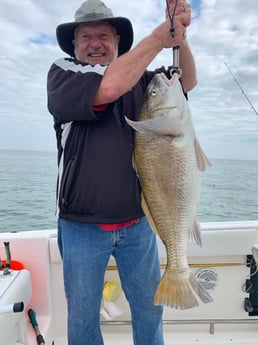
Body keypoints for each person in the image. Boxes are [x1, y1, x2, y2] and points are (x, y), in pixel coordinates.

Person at [47, 0, 196, 344]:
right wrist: (161, 36)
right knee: (83, 319)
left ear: (117, 41)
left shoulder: (144, 81)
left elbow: (186, 80)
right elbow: (107, 88)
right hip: (81, 226)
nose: (96, 42)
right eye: (87, 36)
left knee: (148, 311)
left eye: (104, 35)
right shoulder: (64, 73)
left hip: (139, 223)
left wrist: (180, 38)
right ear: (74, 44)